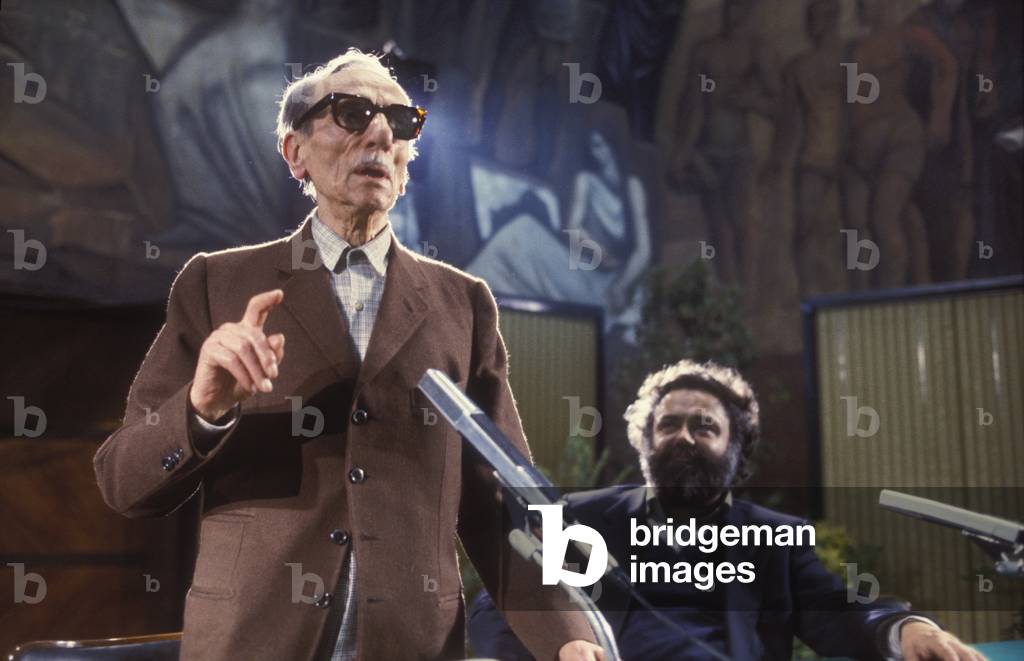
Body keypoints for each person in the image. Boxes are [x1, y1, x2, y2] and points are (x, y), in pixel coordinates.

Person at [93, 49, 603, 661]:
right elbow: (124, 483)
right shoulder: (216, 285)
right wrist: (201, 407)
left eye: (401, 120)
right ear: (295, 153)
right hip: (253, 641)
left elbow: (502, 507)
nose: (382, 134)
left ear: (410, 158)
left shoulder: (464, 304)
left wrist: (569, 638)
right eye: (352, 112)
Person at [468, 359, 984, 661]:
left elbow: (842, 608)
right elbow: (498, 606)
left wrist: (907, 630)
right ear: (645, 440)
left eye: (705, 426)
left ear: (738, 448)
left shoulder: (778, 538)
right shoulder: (582, 521)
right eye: (668, 425)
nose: (683, 437)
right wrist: (558, 646)